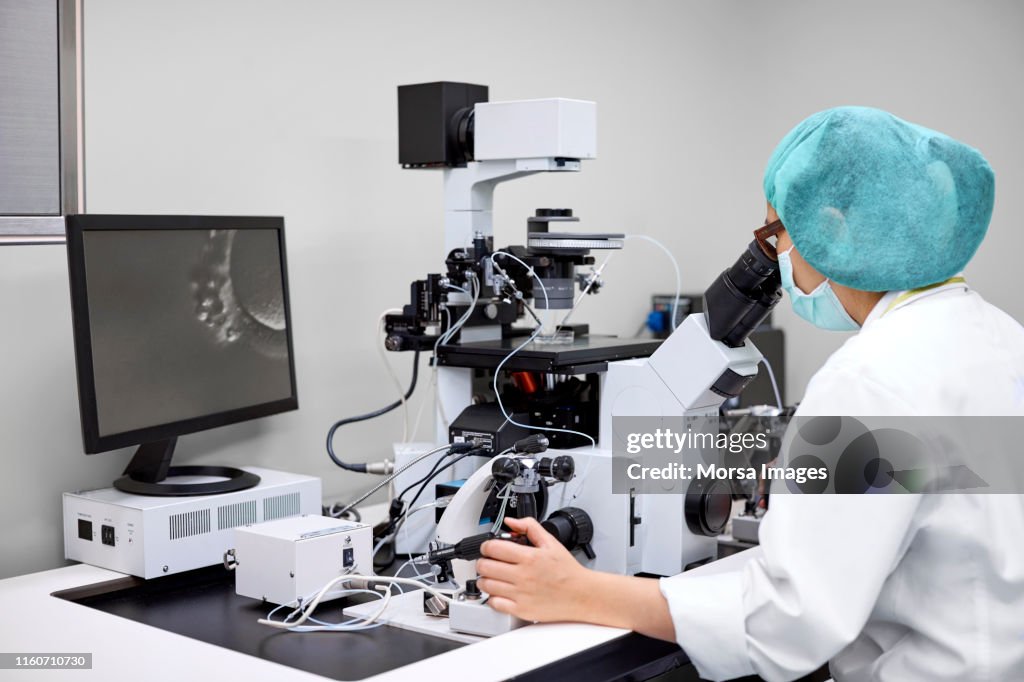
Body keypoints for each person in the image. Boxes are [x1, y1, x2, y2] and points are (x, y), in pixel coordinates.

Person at [476, 107, 1024, 681]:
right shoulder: (995, 337)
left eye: (775, 233)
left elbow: (784, 622)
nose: (775, 259)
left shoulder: (867, 379)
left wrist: (580, 592)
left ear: (833, 231)